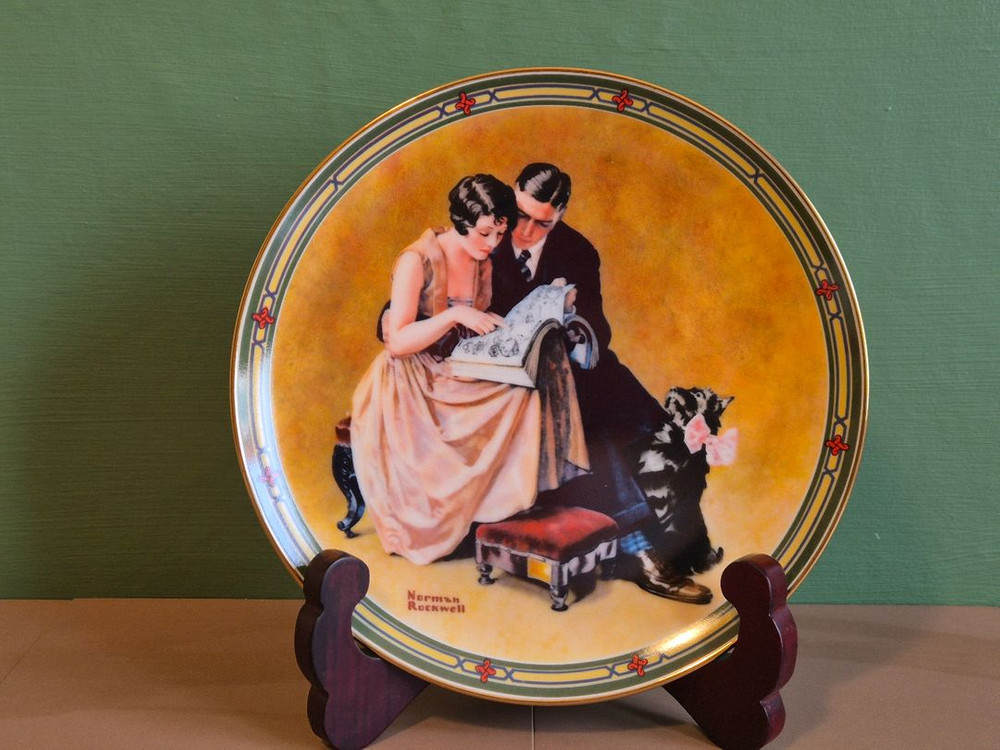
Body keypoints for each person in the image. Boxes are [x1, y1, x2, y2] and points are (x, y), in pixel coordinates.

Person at [489, 163, 713, 604]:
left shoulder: (577, 251)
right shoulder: (485, 231)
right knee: (589, 422)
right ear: (511, 197)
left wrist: (573, 324)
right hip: (503, 379)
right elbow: (427, 293)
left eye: (542, 223)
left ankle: (678, 544)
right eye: (520, 215)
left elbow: (598, 328)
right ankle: (639, 549)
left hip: (570, 367)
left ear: (561, 215)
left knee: (656, 431)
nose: (526, 231)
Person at [351, 174, 589, 565]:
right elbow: (398, 342)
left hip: (454, 366)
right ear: (462, 222)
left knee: (527, 385)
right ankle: (447, 520)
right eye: (484, 234)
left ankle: (500, 507)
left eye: (499, 235)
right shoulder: (417, 259)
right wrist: (455, 315)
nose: (492, 244)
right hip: (409, 378)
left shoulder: (484, 261)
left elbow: (476, 322)